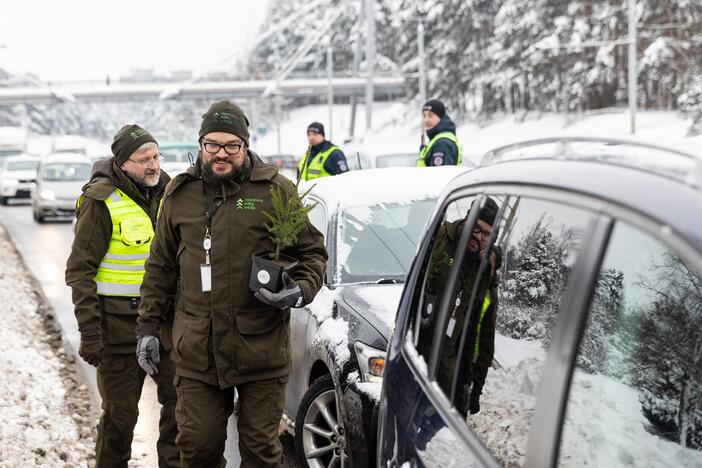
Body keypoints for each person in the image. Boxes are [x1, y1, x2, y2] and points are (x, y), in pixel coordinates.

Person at [135, 100, 328, 467]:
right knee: (197, 449)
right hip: (196, 352)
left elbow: (313, 253)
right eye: (213, 145)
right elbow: (159, 267)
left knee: (260, 454)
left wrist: (299, 289)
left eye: (231, 146)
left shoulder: (275, 190)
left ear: (245, 145)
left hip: (261, 351)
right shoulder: (180, 194)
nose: (221, 154)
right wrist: (146, 326)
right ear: (201, 144)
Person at [65, 124, 178, 467]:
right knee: (120, 417)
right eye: (144, 159)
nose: (153, 165)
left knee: (180, 411)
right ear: (123, 163)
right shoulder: (101, 201)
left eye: (156, 156)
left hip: (167, 322)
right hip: (118, 330)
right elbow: (80, 271)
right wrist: (90, 331)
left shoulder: (172, 193)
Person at [418, 197, 500, 417]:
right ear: (467, 219)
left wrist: (474, 390)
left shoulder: (485, 270)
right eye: (476, 228)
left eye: (486, 235)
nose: (478, 237)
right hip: (416, 361)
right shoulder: (441, 240)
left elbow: (484, 335)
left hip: (448, 378)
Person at [417, 99, 462, 167]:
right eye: (424, 115)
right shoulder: (437, 140)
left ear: (440, 117)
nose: (426, 120)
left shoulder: (442, 144)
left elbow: (440, 175)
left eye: (430, 115)